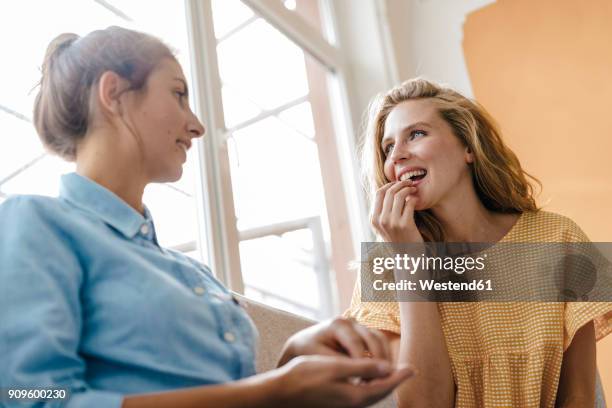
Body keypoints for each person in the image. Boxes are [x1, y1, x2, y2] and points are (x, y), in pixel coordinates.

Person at [0, 26, 414, 408]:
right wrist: (273, 389)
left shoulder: (195, 274)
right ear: (114, 94)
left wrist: (290, 360)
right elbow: (24, 394)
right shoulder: (36, 223)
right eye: (179, 94)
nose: (196, 125)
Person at [345, 78, 612, 407]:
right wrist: (409, 259)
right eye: (387, 148)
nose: (397, 155)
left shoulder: (558, 239)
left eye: (416, 134)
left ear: (468, 147)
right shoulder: (383, 266)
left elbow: (578, 396)